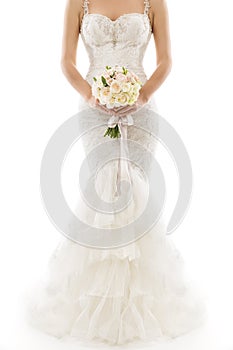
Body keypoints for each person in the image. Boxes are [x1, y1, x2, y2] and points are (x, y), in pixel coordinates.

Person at [26, 0, 205, 345]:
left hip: (142, 111)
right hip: (93, 111)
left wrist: (141, 96)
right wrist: (92, 95)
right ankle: (94, 302)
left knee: (134, 191)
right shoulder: (78, 2)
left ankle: (140, 304)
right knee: (102, 190)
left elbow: (165, 62)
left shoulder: (154, 3)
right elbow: (66, 62)